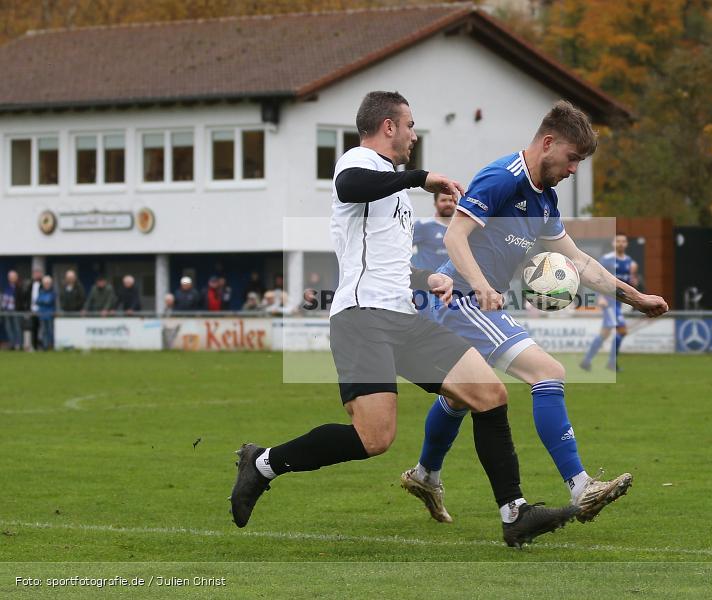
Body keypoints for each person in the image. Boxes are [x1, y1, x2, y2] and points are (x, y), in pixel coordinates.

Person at [230, 91, 577, 547]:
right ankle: (262, 463)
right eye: (410, 126)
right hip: (362, 318)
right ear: (388, 127)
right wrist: (419, 178)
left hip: (403, 315)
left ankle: (515, 514)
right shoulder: (359, 162)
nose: (414, 135)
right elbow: (349, 187)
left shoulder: (393, 190)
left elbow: (382, 259)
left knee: (489, 393)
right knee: (375, 438)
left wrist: (428, 276)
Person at [400, 100, 669, 526]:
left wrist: (636, 297)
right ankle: (581, 485)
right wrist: (485, 286)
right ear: (548, 143)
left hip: (474, 301)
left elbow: (579, 262)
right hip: (461, 300)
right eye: (572, 158)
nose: (574, 169)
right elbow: (456, 238)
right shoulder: (501, 178)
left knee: (459, 398)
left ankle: (425, 474)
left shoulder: (544, 200)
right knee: (548, 372)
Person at [580, 233, 639, 372]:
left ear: (626, 244)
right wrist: (599, 297)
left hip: (619, 303)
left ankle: (586, 361)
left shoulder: (630, 262)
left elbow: (628, 282)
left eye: (623, 241)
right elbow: (597, 279)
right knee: (622, 330)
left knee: (605, 333)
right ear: (613, 243)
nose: (621, 243)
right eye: (618, 241)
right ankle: (612, 363)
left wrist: (633, 283)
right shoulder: (606, 260)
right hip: (609, 302)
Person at [412, 191, 458, 271]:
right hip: (427, 280)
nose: (448, 204)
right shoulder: (423, 225)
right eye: (443, 200)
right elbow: (403, 248)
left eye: (451, 200)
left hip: (452, 280)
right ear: (435, 203)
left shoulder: (460, 227)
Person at [1, 270, 25, 350]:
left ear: (16, 278)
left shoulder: (19, 287)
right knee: (9, 328)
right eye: (10, 277)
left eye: (13, 277)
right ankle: (12, 344)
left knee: (17, 328)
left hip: (16, 311)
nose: (12, 279)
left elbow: (22, 300)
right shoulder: (6, 287)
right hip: (6, 311)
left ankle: (19, 344)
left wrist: (20, 308)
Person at [36, 275, 56, 350]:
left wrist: (43, 301)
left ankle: (51, 345)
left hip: (50, 315)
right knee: (43, 331)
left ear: (50, 284)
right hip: (42, 315)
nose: (47, 285)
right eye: (45, 283)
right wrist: (45, 301)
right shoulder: (41, 292)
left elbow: (49, 301)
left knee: (51, 331)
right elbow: (37, 301)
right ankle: (45, 346)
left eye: (48, 283)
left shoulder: (53, 292)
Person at [27, 267, 43, 350]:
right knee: (33, 328)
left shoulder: (43, 284)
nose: (36, 275)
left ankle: (43, 345)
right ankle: (34, 346)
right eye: (35, 273)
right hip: (32, 310)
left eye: (38, 273)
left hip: (42, 310)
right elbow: (27, 296)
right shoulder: (30, 284)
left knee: (43, 328)